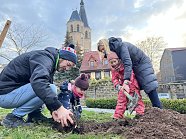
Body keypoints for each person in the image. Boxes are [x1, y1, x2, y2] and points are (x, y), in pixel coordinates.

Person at [0, 43, 77, 128]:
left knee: (48, 87)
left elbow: (44, 89)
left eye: (70, 68)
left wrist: (53, 110)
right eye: (68, 64)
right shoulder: (44, 59)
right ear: (62, 57)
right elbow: (39, 83)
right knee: (50, 88)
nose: (67, 69)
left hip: (12, 94)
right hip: (5, 95)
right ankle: (13, 118)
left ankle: (34, 115)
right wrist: (59, 108)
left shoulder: (49, 62)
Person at [97, 37, 162, 109]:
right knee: (134, 87)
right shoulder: (114, 51)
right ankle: (141, 111)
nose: (103, 51)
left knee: (149, 85)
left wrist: (126, 81)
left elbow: (127, 63)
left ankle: (158, 109)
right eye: (101, 51)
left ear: (106, 45)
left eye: (103, 49)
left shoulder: (121, 46)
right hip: (134, 66)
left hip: (142, 64)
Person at [108, 52, 145, 119]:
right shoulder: (113, 70)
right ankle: (117, 116)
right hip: (123, 86)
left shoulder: (125, 66)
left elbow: (131, 75)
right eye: (111, 62)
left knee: (137, 101)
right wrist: (118, 86)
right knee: (121, 101)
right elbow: (114, 79)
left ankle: (140, 114)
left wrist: (129, 87)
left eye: (114, 61)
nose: (113, 64)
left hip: (132, 84)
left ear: (118, 60)